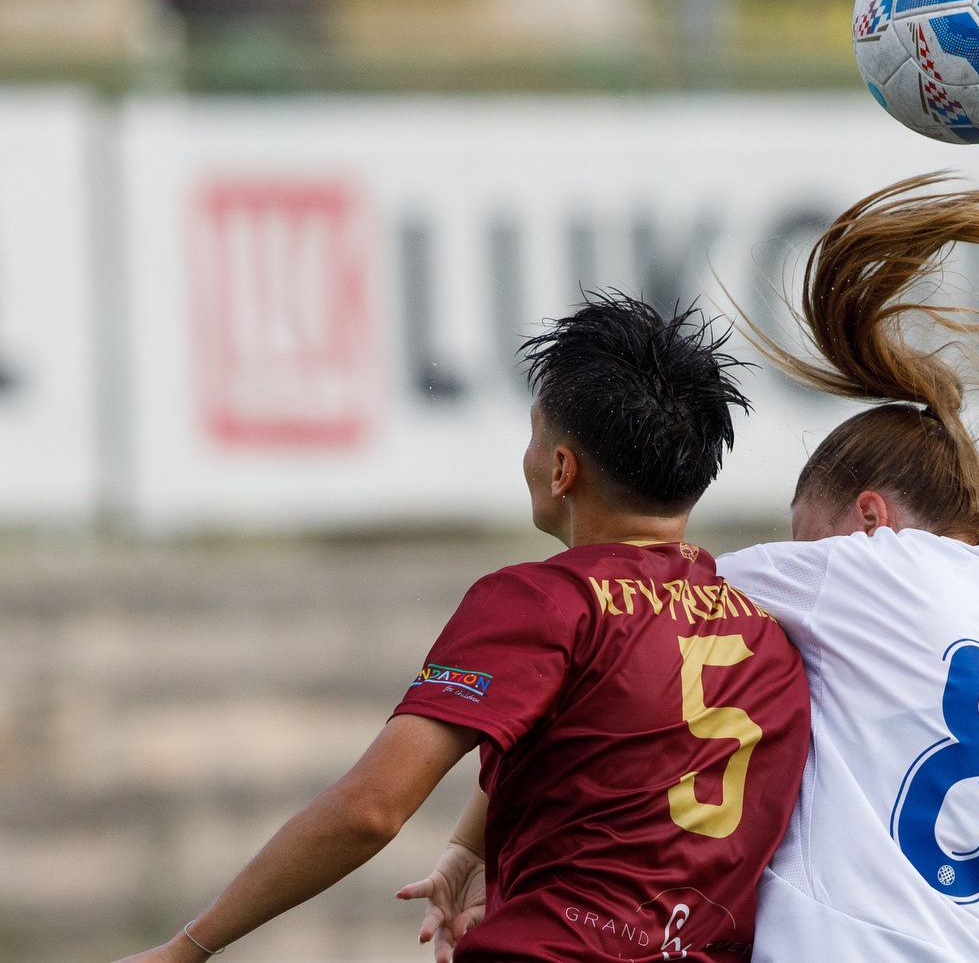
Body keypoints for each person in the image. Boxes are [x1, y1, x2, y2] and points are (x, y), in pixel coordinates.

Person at [408, 176, 979, 963]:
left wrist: (468, 845)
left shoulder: (864, 573)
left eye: (804, 539)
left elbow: (637, 620)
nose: (794, 558)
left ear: (867, 521)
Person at [116, 295, 810, 963]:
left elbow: (372, 809)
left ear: (563, 469)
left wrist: (190, 946)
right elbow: (617, 727)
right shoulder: (770, 639)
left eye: (536, 437)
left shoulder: (543, 600)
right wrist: (472, 847)